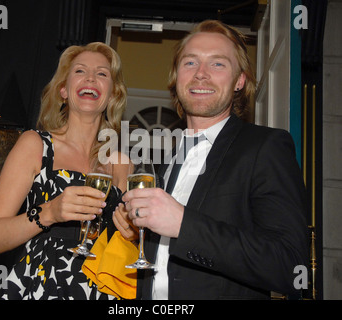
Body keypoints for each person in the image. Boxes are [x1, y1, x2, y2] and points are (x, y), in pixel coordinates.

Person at [113, 20, 309, 300]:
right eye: (190, 63)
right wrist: (138, 232)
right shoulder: (165, 160)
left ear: (239, 80)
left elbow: (290, 266)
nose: (201, 74)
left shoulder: (265, 146)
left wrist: (184, 224)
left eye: (217, 64)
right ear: (176, 76)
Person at [0, 42, 129, 300]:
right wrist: (50, 212)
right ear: (63, 91)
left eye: (102, 74)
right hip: (43, 284)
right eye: (80, 71)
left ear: (113, 94)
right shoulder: (35, 145)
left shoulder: (121, 162)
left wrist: (131, 231)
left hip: (102, 289)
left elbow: (124, 241)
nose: (91, 77)